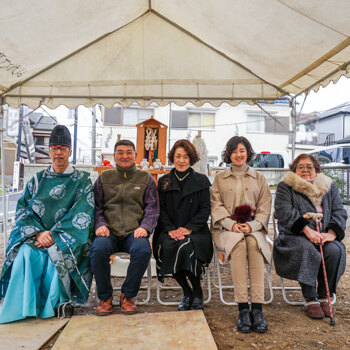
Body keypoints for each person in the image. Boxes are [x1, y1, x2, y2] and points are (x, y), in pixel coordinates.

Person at [0, 125, 94, 323]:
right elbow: (23, 210)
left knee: (55, 254)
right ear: (49, 150)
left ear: (70, 151)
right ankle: (24, 308)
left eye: (63, 148)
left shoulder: (82, 181)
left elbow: (83, 213)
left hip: (63, 239)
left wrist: (54, 236)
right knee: (25, 253)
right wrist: (38, 233)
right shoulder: (36, 180)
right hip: (36, 237)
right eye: (54, 147)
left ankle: (52, 307)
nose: (58, 152)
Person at [273, 154, 347, 319]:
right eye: (300, 166)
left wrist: (331, 234)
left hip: (324, 233)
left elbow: (339, 211)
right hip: (295, 235)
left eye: (309, 166)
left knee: (335, 251)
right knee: (306, 249)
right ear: (294, 169)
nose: (305, 170)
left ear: (316, 169)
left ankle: (323, 295)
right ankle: (310, 298)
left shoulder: (329, 186)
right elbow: (284, 212)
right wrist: (307, 230)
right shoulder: (285, 186)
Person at [91, 140, 159, 316]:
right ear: (114, 156)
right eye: (120, 152)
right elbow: (95, 206)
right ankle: (105, 297)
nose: (124, 156)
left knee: (143, 251)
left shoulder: (146, 179)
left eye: (129, 152)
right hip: (108, 231)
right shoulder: (104, 178)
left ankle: (127, 295)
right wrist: (100, 224)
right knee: (98, 250)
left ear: (135, 155)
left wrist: (145, 227)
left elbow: (153, 207)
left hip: (134, 232)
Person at [210, 136, 271, 333]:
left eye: (242, 150)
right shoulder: (219, 178)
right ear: (228, 154)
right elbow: (215, 205)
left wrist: (253, 226)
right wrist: (230, 224)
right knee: (239, 244)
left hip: (253, 228)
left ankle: (258, 309)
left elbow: (264, 207)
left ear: (248, 153)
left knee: (254, 245)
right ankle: (243, 309)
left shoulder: (259, 178)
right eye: (234, 151)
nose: (238, 154)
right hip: (226, 230)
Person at [153, 140, 212, 311]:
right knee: (169, 246)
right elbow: (160, 209)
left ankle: (197, 291)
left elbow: (204, 210)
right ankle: (187, 291)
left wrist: (188, 229)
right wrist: (171, 229)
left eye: (186, 157)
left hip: (196, 231)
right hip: (168, 230)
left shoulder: (201, 181)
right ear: (172, 158)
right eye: (178, 156)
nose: (181, 160)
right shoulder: (164, 181)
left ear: (191, 159)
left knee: (186, 247)